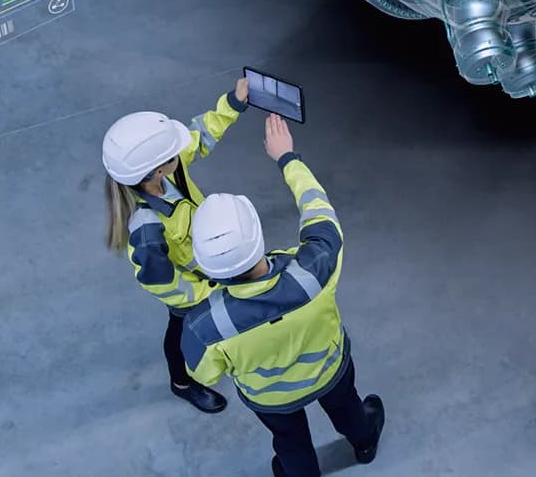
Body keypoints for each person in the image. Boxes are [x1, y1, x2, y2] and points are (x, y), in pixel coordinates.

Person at [182, 115, 386, 476]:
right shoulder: (314, 268)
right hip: (329, 370)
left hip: (271, 399)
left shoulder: (204, 325)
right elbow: (319, 212)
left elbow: (205, 373)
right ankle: (365, 441)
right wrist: (287, 158)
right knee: (348, 408)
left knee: (289, 441)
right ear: (258, 236)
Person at [102, 79, 250, 414]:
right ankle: (181, 382)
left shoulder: (164, 169)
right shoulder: (146, 229)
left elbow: (200, 136)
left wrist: (234, 103)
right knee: (182, 329)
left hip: (208, 268)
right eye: (173, 155)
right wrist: (204, 294)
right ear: (155, 171)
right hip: (192, 289)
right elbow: (163, 284)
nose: (181, 154)